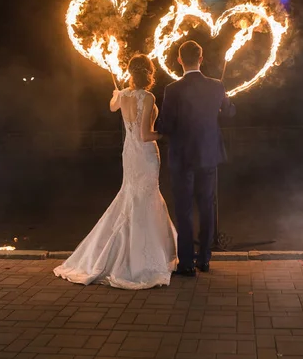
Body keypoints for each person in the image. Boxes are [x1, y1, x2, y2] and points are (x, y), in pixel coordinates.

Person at [54, 54, 178, 290]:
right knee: (147, 198)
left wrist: (115, 95)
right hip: (145, 154)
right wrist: (167, 134)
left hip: (129, 153)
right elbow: (145, 135)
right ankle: (144, 259)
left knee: (132, 196)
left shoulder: (122, 95)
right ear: (149, 73)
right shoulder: (148, 97)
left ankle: (122, 251)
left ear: (130, 72)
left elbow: (112, 108)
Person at [158, 40, 236, 277]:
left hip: (182, 157)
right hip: (208, 154)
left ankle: (187, 264)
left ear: (180, 60)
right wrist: (226, 100)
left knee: (183, 210)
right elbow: (230, 112)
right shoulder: (217, 86)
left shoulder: (172, 90)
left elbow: (165, 125)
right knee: (206, 206)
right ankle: (204, 259)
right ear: (201, 59)